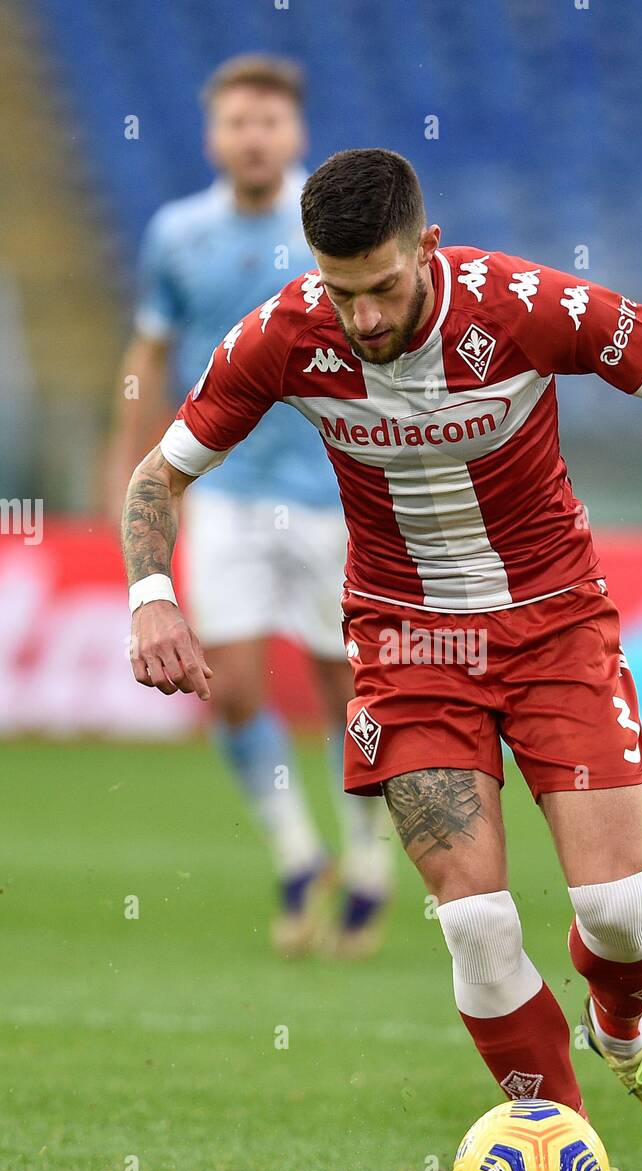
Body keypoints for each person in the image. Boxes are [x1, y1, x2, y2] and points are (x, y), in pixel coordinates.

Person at [120, 148, 642, 1171]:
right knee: (476, 926)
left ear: (427, 242)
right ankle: (568, 1157)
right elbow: (158, 474)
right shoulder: (283, 334)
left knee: (611, 909)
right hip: (407, 647)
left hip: (554, 622)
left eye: (382, 285)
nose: (361, 315)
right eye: (339, 288)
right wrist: (149, 595)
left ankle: (619, 1031)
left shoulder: (521, 305)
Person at [105, 67, 392, 959]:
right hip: (219, 486)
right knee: (228, 687)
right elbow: (149, 352)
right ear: (213, 137)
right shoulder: (177, 233)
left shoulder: (329, 234)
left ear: (297, 132)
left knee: (346, 689)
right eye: (238, 121)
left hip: (332, 489)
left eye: (269, 119)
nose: (254, 135)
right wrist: (129, 463)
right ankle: (298, 854)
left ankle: (370, 860)